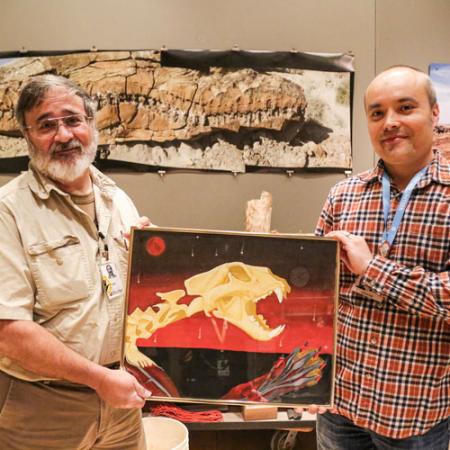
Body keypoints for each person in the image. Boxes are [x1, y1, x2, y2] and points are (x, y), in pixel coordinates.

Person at [0, 74, 151, 450]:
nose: (64, 135)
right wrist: (98, 378)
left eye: (72, 120)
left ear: (90, 124)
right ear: (27, 135)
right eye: (46, 125)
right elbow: (9, 330)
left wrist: (156, 263)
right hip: (43, 410)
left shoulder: (117, 200)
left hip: (122, 405)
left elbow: (135, 302)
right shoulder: (9, 211)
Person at [314, 66, 450, 449]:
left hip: (415, 413)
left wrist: (372, 268)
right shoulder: (343, 195)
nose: (390, 122)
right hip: (339, 405)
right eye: (377, 113)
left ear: (434, 114)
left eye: (405, 108)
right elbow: (315, 296)